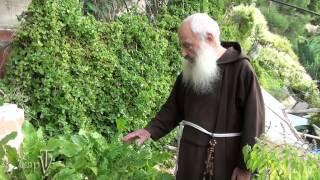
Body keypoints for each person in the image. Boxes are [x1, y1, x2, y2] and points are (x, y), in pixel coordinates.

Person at [123, 13, 265, 180]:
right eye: (181, 46)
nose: (183, 53)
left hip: (223, 163)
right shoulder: (192, 70)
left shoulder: (242, 70)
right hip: (190, 159)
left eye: (187, 45)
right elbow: (173, 108)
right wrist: (149, 131)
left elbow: (254, 123)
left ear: (209, 38)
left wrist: (245, 167)